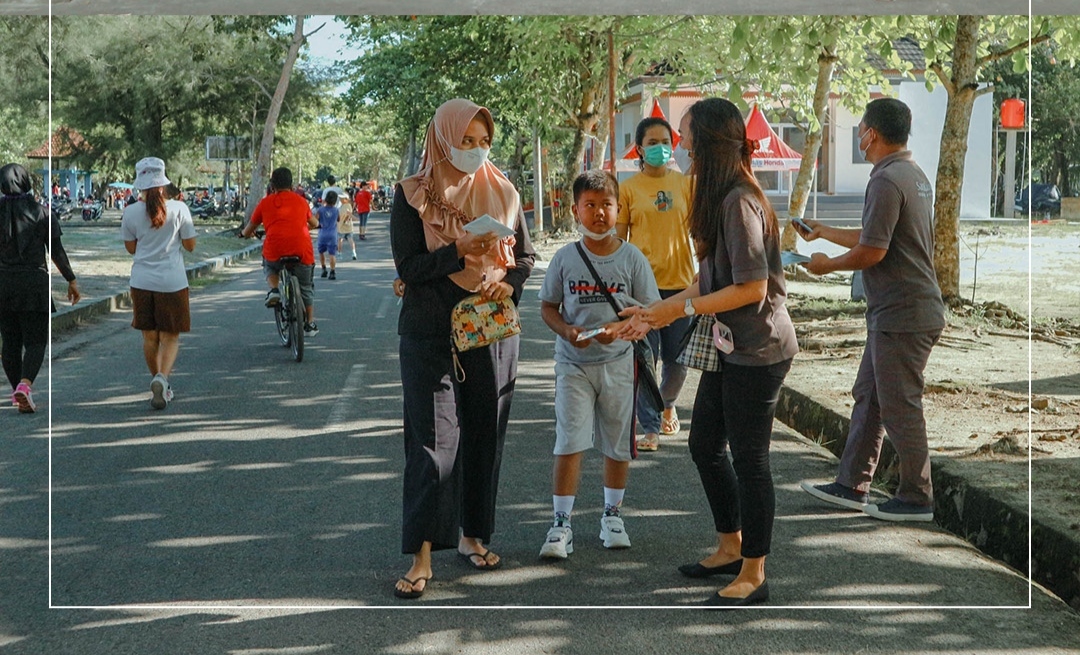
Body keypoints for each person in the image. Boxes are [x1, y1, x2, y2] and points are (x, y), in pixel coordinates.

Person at [623, 98, 798, 606]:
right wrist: (654, 310)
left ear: (708, 141)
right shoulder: (716, 194)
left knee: (751, 460)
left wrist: (681, 311)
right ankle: (729, 544)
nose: (679, 146)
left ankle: (755, 572)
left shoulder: (740, 200)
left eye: (684, 135)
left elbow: (751, 289)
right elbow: (707, 279)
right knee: (703, 446)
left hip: (758, 349)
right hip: (729, 345)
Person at [390, 97, 535, 599]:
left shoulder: (505, 192)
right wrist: (458, 253)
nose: (475, 151)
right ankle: (423, 554)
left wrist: (506, 282)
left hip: (489, 332)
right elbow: (408, 266)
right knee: (433, 443)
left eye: (482, 142)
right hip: (430, 334)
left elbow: (526, 259)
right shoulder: (412, 194)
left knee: (484, 435)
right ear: (442, 139)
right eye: (465, 141)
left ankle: (474, 535)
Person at [797, 97, 945, 523]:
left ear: (872, 134)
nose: (858, 137)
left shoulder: (885, 181)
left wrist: (827, 265)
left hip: (903, 313)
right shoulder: (911, 174)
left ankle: (917, 497)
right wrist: (825, 232)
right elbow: (875, 235)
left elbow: (874, 251)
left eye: (859, 129)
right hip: (902, 311)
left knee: (899, 404)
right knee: (871, 396)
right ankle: (851, 484)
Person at [537, 169, 657, 559]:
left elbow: (650, 312)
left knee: (618, 442)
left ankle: (612, 515)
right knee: (570, 439)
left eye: (606, 205)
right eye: (590, 205)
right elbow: (548, 308)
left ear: (618, 209)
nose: (599, 213)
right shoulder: (564, 259)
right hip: (573, 364)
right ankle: (561, 524)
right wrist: (567, 331)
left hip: (619, 363)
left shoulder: (632, 258)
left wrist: (620, 330)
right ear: (576, 211)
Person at [617, 116, 696, 452]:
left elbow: (700, 234)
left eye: (666, 141)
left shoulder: (686, 185)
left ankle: (666, 403)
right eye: (652, 143)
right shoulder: (628, 189)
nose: (661, 148)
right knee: (646, 358)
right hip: (643, 290)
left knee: (678, 362)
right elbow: (619, 241)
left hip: (682, 287)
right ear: (639, 148)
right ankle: (649, 427)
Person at [0, 163, 80, 413]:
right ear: (26, 182)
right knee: (35, 341)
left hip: (3, 284)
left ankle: (16, 391)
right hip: (33, 283)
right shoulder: (43, 212)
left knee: (9, 342)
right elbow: (56, 251)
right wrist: (71, 280)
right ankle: (24, 385)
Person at [121, 157, 197, 410]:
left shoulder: (130, 212)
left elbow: (131, 249)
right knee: (170, 337)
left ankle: (157, 379)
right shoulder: (179, 209)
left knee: (150, 337)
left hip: (141, 282)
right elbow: (190, 246)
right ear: (163, 184)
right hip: (172, 282)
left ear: (140, 185)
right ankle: (163, 379)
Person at [241, 167, 320, 337]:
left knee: (269, 265)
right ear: (291, 184)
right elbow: (314, 223)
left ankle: (275, 289)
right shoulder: (301, 201)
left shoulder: (265, 202)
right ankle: (310, 323)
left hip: (275, 250)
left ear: (272, 184)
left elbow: (249, 230)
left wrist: (244, 234)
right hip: (302, 250)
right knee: (306, 286)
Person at [315, 189, 339, 280]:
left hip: (322, 234)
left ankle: (323, 268)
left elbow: (315, 220)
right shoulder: (336, 210)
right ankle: (332, 271)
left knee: (321, 252)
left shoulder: (320, 210)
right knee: (332, 254)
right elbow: (339, 219)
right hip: (332, 235)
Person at [337, 191, 357, 260]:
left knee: (340, 240)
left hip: (341, 226)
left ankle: (339, 254)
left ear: (345, 199)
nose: (340, 199)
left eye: (341, 198)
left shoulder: (343, 207)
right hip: (349, 226)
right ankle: (354, 252)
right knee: (350, 239)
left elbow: (347, 214)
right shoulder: (348, 205)